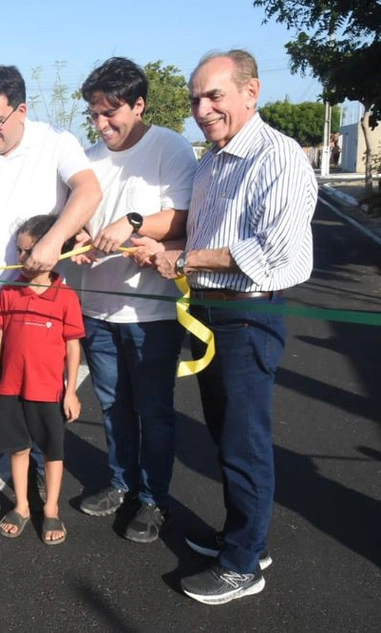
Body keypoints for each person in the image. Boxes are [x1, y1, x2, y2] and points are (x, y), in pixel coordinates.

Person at [153, 50, 317, 604]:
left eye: (214, 95)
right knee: (227, 435)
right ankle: (245, 537)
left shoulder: (278, 156)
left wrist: (188, 260)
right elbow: (198, 238)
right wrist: (157, 249)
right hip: (210, 311)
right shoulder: (213, 160)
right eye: (197, 98)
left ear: (251, 92)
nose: (202, 108)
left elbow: (279, 254)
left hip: (248, 314)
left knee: (245, 443)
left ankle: (243, 564)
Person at [0, 64, 102, 509]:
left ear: (21, 110)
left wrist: (54, 240)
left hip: (39, 305)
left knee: (39, 399)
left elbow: (88, 191)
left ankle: (38, 473)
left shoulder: (55, 143)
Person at [72, 57, 197, 543]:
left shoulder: (170, 147)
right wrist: (82, 235)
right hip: (98, 309)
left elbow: (183, 216)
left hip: (152, 313)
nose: (102, 125)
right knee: (111, 406)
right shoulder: (90, 158)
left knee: (154, 411)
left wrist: (135, 221)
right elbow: (79, 214)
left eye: (111, 113)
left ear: (139, 104)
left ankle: (153, 499)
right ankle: (121, 482)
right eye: (95, 115)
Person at [0, 215, 84, 545]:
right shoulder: (9, 292)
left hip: (47, 390)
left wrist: (71, 391)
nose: (21, 259)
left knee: (52, 451)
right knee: (18, 449)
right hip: (11, 388)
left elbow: (72, 345)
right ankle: (22, 505)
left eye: (28, 252)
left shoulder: (65, 298)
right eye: (19, 251)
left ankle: (51, 508)